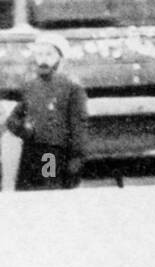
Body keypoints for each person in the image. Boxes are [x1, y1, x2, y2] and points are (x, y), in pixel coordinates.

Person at [4, 33, 87, 190]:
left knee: (49, 194)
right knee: (26, 197)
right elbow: (13, 119)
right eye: (39, 54)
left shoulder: (72, 88)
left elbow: (78, 127)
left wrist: (76, 158)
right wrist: (23, 130)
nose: (43, 60)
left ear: (60, 58)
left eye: (49, 54)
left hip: (52, 154)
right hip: (30, 154)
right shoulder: (30, 87)